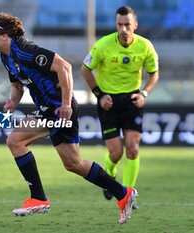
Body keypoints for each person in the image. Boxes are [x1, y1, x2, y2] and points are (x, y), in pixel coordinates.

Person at [0, 12, 137, 224]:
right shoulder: (6, 57)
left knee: (15, 141)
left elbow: (64, 67)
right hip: (50, 108)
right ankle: (123, 193)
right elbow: (17, 86)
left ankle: (38, 198)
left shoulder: (27, 50)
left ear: (5, 35)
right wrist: (12, 102)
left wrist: (65, 104)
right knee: (74, 163)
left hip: (58, 109)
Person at [81, 6, 159, 209]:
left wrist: (144, 94)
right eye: (119, 25)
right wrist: (99, 95)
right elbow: (85, 69)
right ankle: (111, 171)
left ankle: (128, 193)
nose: (123, 29)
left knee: (132, 150)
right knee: (116, 153)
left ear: (135, 25)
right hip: (109, 103)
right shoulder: (103, 45)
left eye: (127, 24)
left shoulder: (145, 46)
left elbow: (154, 74)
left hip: (132, 100)